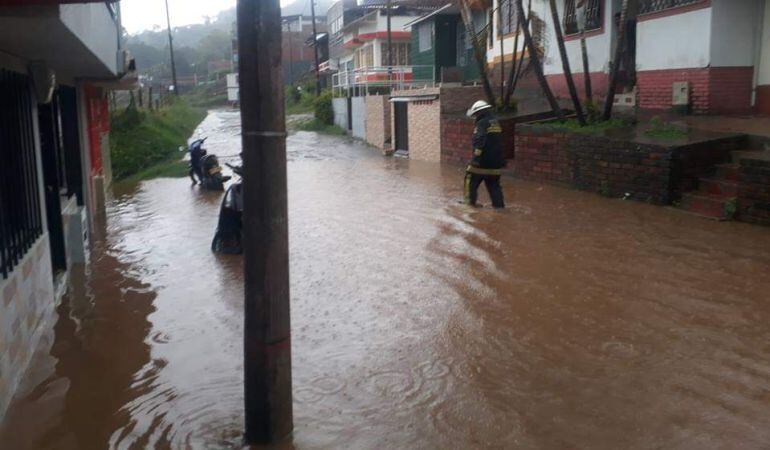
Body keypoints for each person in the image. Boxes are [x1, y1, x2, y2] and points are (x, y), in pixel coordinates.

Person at [464, 100, 505, 208]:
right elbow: (500, 142)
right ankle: (499, 208)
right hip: (495, 163)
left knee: (470, 181)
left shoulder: (481, 123)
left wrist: (476, 158)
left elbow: (480, 140)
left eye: (475, 114)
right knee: (494, 186)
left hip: (481, 162)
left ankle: (469, 205)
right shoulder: (495, 122)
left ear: (479, 113)